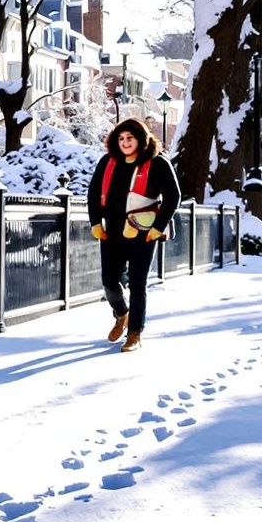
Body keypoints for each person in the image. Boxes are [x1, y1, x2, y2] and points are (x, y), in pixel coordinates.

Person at [87, 119, 181, 350]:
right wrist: (95, 223)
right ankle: (122, 313)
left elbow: (173, 196)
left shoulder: (158, 163)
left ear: (141, 138)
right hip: (112, 232)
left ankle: (135, 334)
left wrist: (158, 227)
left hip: (143, 233)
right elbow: (92, 193)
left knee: (138, 284)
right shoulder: (107, 162)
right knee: (109, 281)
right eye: (121, 138)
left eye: (130, 138)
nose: (125, 143)